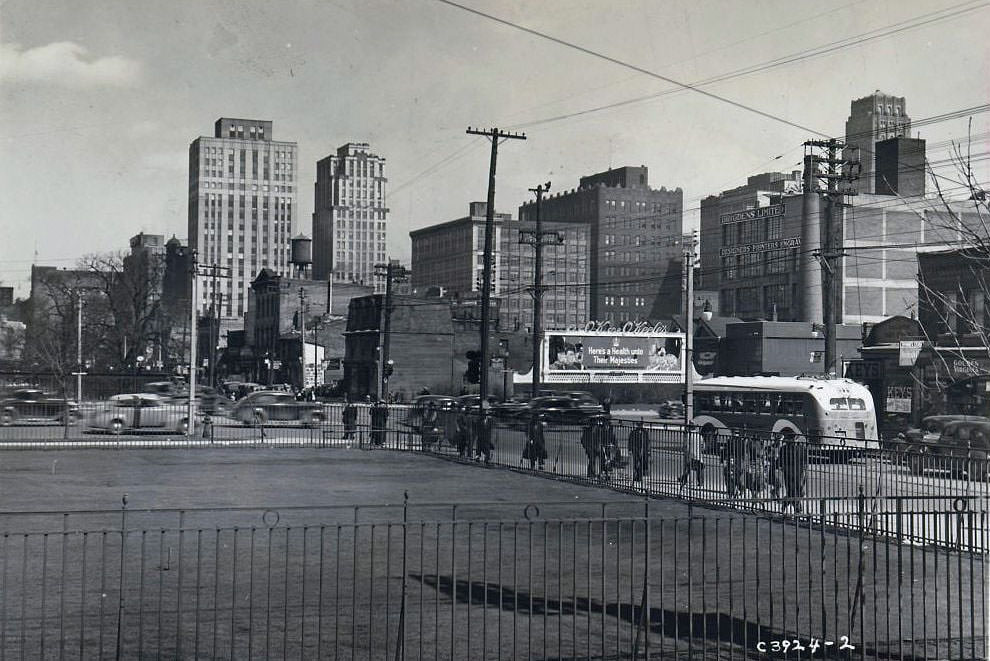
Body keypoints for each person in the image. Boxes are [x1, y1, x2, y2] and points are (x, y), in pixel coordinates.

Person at [780, 435, 809, 513]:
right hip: (789, 472)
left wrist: (805, 468)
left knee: (801, 492)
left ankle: (786, 503)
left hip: (800, 473)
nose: (792, 441)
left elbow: (805, 460)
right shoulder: (784, 449)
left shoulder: (802, 448)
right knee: (792, 491)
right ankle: (798, 509)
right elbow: (781, 461)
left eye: (793, 439)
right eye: (790, 439)